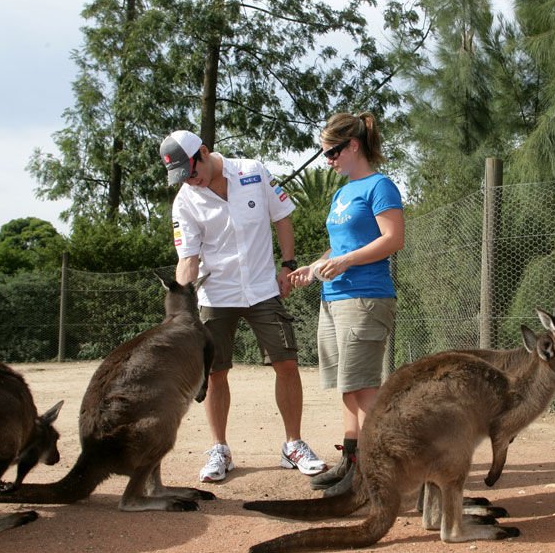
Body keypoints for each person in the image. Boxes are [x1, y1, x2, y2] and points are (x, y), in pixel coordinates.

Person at [159, 129, 326, 482]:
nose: (191, 181)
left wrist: (289, 265)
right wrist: (179, 312)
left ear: (203, 152)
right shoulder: (185, 201)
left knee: (287, 362)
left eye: (191, 172)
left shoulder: (254, 171)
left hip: (264, 288)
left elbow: (281, 217)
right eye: (182, 178)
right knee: (216, 372)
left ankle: (292, 445)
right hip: (215, 295)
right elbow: (187, 259)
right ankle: (219, 449)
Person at [288, 112, 405, 495]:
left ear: (353, 145)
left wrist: (347, 261)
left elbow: (393, 239)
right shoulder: (341, 193)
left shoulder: (380, 186)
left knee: (364, 388)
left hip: (365, 298)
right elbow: (340, 246)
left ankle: (389, 468)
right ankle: (352, 463)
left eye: (332, 152)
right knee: (347, 387)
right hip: (334, 297)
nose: (328, 160)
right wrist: (317, 265)